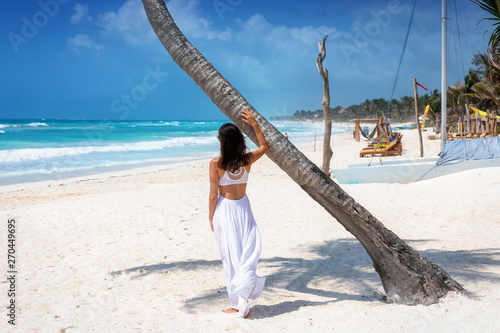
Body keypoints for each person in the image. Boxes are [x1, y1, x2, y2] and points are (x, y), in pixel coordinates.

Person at [208, 109, 268, 318]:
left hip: (225, 211)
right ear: (239, 141)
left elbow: (213, 194)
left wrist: (210, 216)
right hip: (243, 208)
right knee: (246, 254)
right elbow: (264, 147)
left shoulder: (216, 164)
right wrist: (254, 124)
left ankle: (236, 303)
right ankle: (241, 298)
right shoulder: (247, 160)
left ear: (223, 142)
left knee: (230, 257)